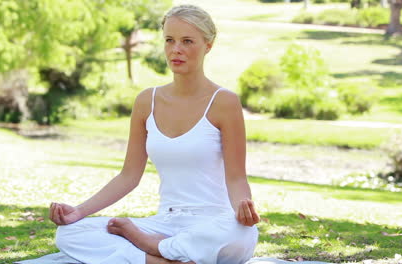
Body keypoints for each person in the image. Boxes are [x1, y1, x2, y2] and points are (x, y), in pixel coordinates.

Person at [49, 4, 260, 264]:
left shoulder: (224, 102)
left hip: (212, 223)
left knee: (240, 233)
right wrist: (78, 212)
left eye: (187, 41)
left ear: (208, 45)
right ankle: (162, 259)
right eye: (169, 40)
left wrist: (243, 208)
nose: (176, 50)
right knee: (70, 234)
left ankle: (151, 248)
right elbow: (128, 176)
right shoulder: (146, 101)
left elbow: (237, 178)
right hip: (165, 223)